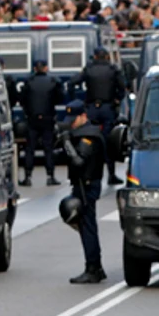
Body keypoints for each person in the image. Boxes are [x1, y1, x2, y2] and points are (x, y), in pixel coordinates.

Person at [60, 102, 108, 284]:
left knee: (88, 227)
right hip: (81, 185)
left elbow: (79, 161)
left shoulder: (90, 136)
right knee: (85, 226)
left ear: (83, 116)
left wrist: (67, 144)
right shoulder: (82, 133)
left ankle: (93, 268)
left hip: (87, 186)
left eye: (74, 120)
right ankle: (95, 266)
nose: (72, 124)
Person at [80, 48, 125, 184]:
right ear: (106, 57)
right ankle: (111, 174)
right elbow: (123, 86)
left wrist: (82, 101)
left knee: (90, 140)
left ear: (94, 56)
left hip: (92, 107)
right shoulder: (113, 69)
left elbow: (72, 83)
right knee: (109, 141)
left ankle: (89, 174)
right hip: (107, 107)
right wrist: (117, 99)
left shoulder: (88, 69)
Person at [19, 58, 64, 187]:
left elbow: (22, 99)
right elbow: (59, 98)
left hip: (32, 119)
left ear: (34, 69)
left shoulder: (29, 82)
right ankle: (50, 176)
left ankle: (27, 176)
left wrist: (29, 111)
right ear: (46, 68)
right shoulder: (53, 82)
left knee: (30, 148)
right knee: (48, 148)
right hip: (48, 118)